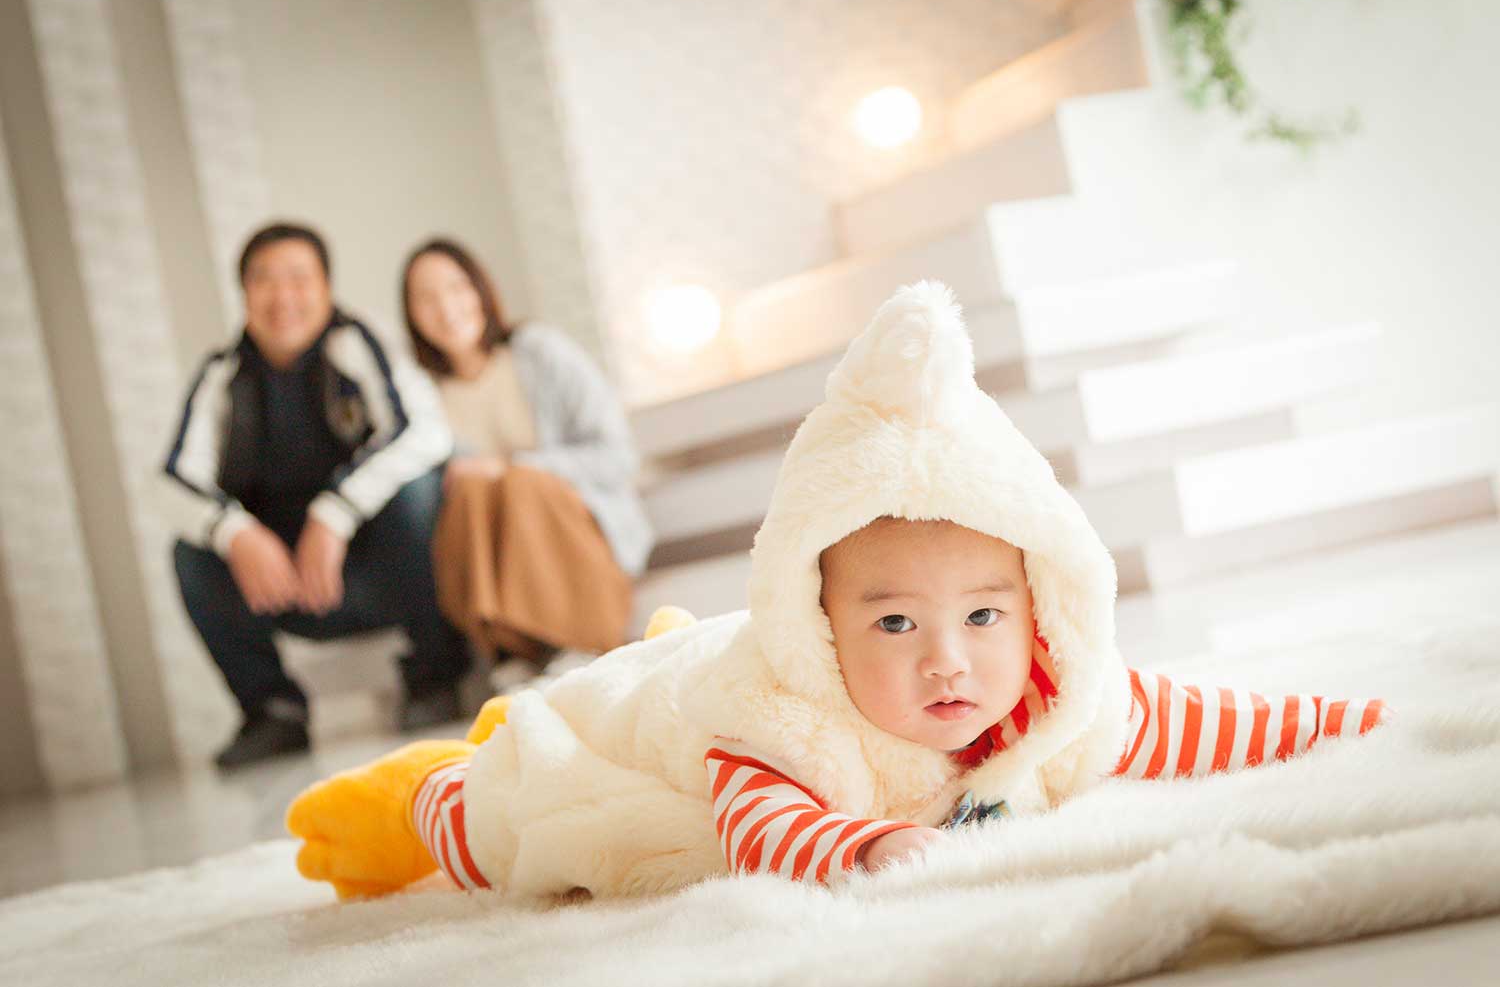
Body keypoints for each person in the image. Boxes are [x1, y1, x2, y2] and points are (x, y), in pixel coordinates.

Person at [284, 282, 1387, 898]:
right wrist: (854, 844)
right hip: (657, 715)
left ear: (1037, 603)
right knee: (517, 806)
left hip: (704, 649)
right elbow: (755, 818)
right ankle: (418, 784)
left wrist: (1336, 723)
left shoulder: (1052, 690)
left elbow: (1190, 717)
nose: (947, 659)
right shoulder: (785, 719)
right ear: (817, 622)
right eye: (894, 620)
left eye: (983, 615)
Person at [164, 222, 468, 770]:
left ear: (326, 287)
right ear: (245, 293)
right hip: (285, 584)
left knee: (417, 492)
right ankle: (273, 711)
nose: (283, 296)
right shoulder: (220, 375)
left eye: (299, 278)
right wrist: (237, 533)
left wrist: (335, 514)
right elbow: (173, 480)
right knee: (191, 553)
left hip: (383, 568)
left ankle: (434, 677)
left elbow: (425, 432)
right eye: (265, 280)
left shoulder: (360, 343)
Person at [399, 238, 652, 686]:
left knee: (520, 481)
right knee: (468, 488)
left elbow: (617, 457)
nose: (446, 308)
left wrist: (512, 465)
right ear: (412, 315)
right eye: (426, 298)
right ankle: (511, 646)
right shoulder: (421, 395)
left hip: (580, 544)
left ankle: (573, 636)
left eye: (456, 288)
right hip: (494, 557)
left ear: (480, 290)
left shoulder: (539, 352)